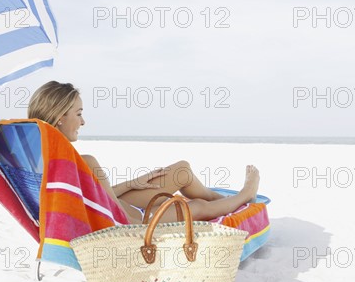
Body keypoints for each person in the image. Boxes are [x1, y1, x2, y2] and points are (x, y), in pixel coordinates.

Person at [27, 81, 260, 224]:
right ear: (59, 118)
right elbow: (109, 209)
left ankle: (222, 200)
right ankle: (243, 197)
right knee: (196, 206)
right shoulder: (83, 161)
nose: (83, 121)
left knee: (181, 170)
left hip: (120, 208)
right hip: (132, 222)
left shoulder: (43, 160)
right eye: (78, 114)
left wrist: (132, 183)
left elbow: (101, 197)